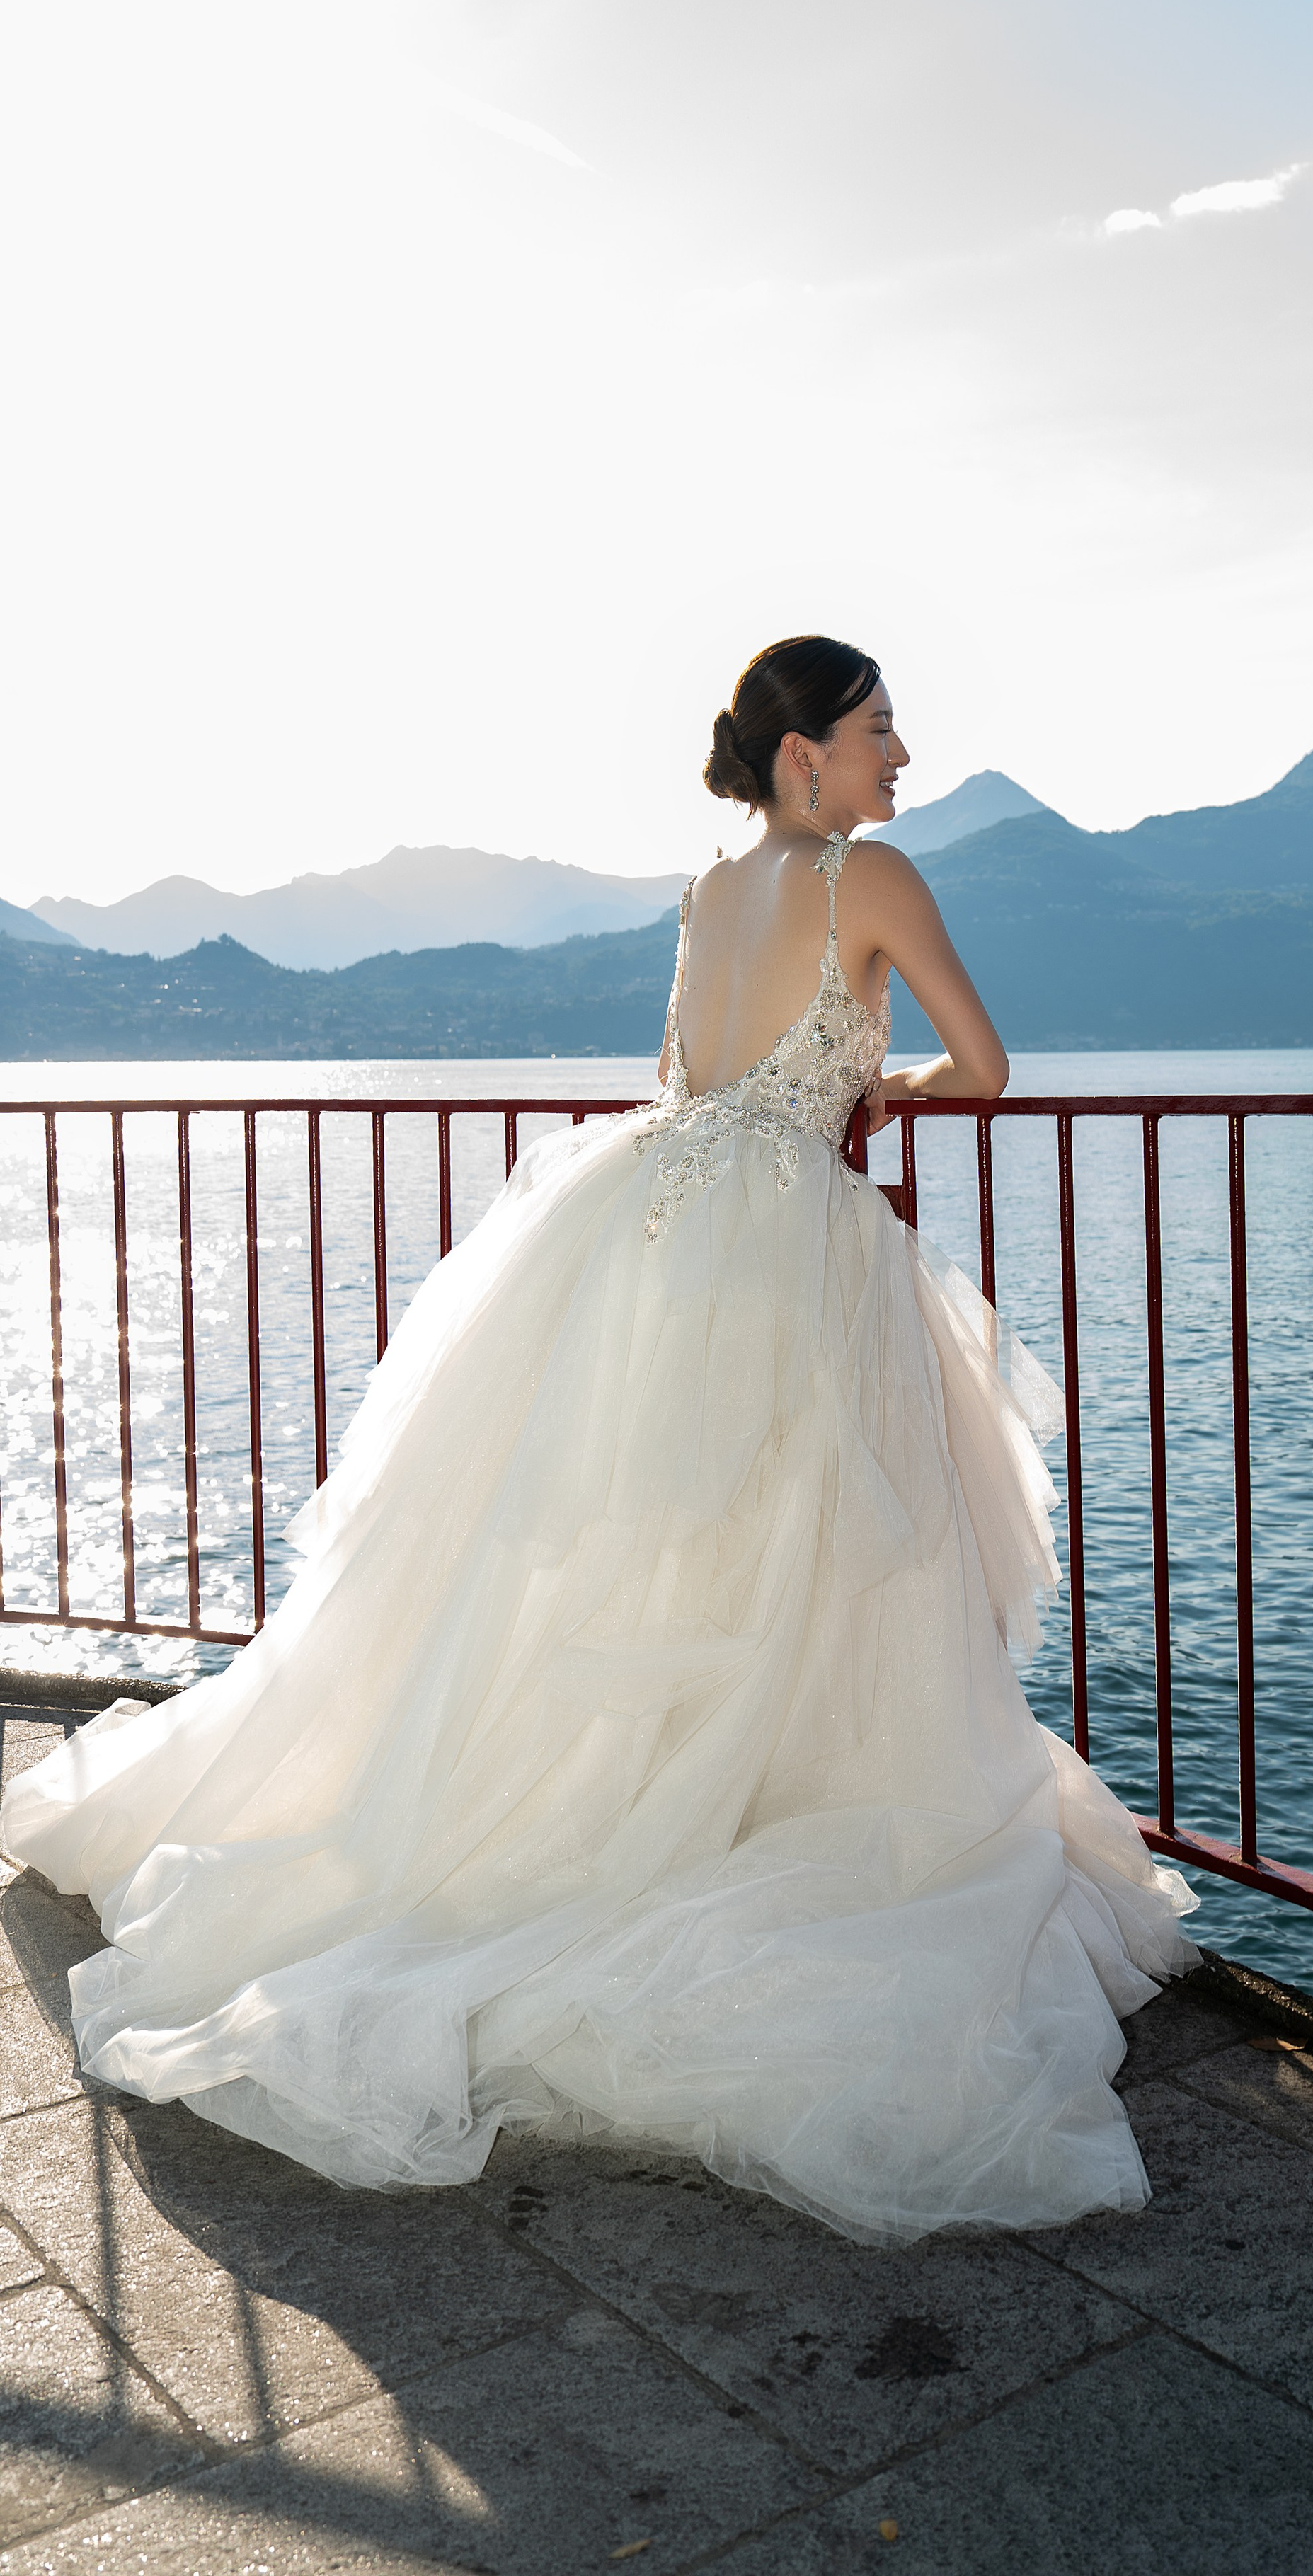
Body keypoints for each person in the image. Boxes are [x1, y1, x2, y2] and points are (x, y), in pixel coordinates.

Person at [1, 636, 1197, 2244]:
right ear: (804, 759)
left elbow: (680, 1077)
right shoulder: (872, 877)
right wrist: (887, 1083)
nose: (899, 757)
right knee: (818, 1556)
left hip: (652, 1228)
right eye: (876, 730)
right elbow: (986, 1068)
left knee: (652, 1558)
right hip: (794, 1249)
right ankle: (744, 1822)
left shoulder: (707, 894)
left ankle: (639, 1810)